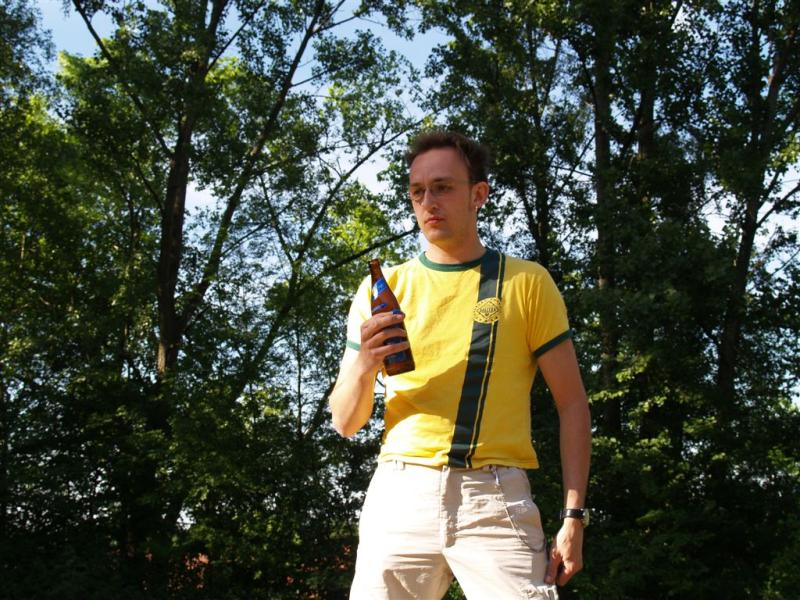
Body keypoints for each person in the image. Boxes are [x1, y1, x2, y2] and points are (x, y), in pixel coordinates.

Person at [329, 130, 591, 599]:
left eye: (443, 187)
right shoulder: (382, 290)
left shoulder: (526, 282)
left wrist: (573, 517)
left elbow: (572, 404)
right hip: (399, 494)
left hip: (494, 496)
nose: (428, 202)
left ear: (478, 195)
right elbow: (346, 423)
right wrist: (364, 362)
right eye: (417, 191)